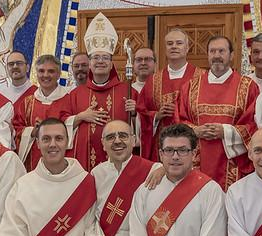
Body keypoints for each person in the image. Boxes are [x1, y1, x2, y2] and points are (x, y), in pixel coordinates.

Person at [177, 35, 259, 191]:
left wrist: (226, 131)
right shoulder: (190, 87)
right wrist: (194, 130)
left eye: (221, 51)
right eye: (212, 51)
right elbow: (179, 120)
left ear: (232, 55)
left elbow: (254, 125)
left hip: (233, 165)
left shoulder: (247, 87)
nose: (216, 56)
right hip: (197, 160)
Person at [58, 13, 138, 171]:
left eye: (105, 58)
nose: (100, 61)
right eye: (95, 57)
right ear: (90, 64)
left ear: (111, 64)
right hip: (83, 159)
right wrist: (81, 117)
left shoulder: (128, 91)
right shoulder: (76, 94)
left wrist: (136, 113)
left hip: (119, 158)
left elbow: (143, 127)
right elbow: (60, 123)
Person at [137, 28, 205, 161]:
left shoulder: (202, 77)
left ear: (187, 48)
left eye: (179, 43)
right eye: (169, 43)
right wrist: (157, 116)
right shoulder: (153, 80)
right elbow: (142, 113)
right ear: (165, 48)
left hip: (193, 148)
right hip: (163, 149)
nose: (174, 46)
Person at [13, 54, 69, 171]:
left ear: (58, 74)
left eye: (51, 71)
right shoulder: (27, 103)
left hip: (62, 160)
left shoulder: (70, 100)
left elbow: (75, 132)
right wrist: (33, 131)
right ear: (36, 73)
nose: (45, 75)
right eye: (41, 71)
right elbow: (16, 129)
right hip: (32, 163)